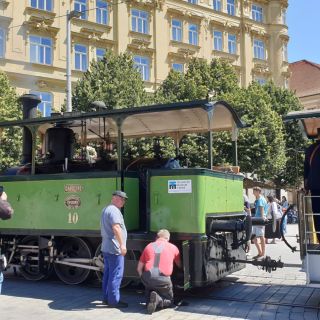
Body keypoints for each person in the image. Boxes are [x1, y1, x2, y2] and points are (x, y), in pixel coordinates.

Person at [137, 229, 181, 314]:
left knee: (149, 294)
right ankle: (158, 300)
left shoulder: (148, 246)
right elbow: (179, 265)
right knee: (170, 301)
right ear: (168, 238)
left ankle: (151, 297)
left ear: (156, 237)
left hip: (148, 277)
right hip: (163, 280)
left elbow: (139, 269)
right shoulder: (173, 247)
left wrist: (143, 280)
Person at [100, 190, 128, 308]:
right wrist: (122, 245)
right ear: (116, 198)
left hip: (107, 247)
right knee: (115, 275)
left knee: (107, 274)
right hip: (114, 248)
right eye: (122, 199)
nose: (124, 202)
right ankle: (113, 301)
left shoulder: (106, 209)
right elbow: (116, 228)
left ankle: (106, 298)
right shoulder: (114, 211)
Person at [304, 128, 320, 241]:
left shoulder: (311, 149)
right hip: (315, 186)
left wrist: (306, 186)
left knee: (318, 215)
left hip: (315, 188)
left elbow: (306, 170)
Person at [252, 187, 268, 259]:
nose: (253, 193)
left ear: (258, 191)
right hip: (257, 218)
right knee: (254, 237)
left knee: (261, 237)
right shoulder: (259, 199)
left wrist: (262, 219)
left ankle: (262, 253)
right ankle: (260, 252)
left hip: (259, 219)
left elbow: (261, 209)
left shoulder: (260, 199)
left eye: (254, 191)